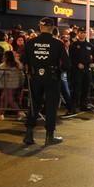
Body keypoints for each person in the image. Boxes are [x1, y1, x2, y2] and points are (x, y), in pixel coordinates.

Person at [21, 17, 69, 145]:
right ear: (52, 28)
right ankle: (49, 136)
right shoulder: (58, 44)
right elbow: (66, 64)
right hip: (52, 77)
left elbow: (24, 60)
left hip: (35, 76)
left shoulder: (31, 42)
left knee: (34, 104)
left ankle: (29, 134)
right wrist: (59, 71)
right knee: (51, 106)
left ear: (40, 27)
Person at [70, 27, 94, 112]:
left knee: (86, 88)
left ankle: (84, 105)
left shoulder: (89, 45)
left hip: (87, 69)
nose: (82, 34)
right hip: (77, 70)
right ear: (78, 34)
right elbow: (70, 57)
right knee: (77, 88)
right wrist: (77, 64)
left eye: (84, 33)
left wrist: (93, 62)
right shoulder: (74, 45)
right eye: (81, 32)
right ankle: (74, 106)